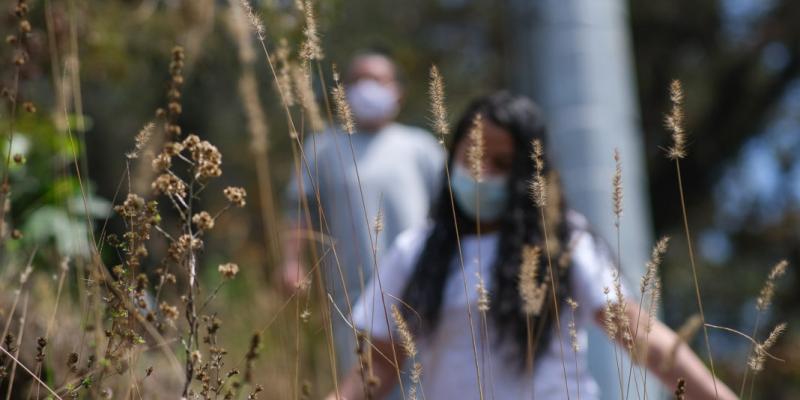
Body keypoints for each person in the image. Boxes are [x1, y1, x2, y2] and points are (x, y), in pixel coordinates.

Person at [329, 92, 738, 399]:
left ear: (528, 172)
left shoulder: (561, 243)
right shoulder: (414, 251)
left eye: (501, 163)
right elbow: (378, 368)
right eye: (470, 156)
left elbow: (639, 334)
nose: (481, 171)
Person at [281, 52, 445, 373]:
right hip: (353, 298)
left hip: (420, 293)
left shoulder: (420, 146)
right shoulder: (322, 148)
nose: (368, 89)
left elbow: (449, 213)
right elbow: (301, 210)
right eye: (359, 80)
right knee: (364, 381)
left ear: (397, 90)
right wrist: (292, 262)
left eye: (378, 80)